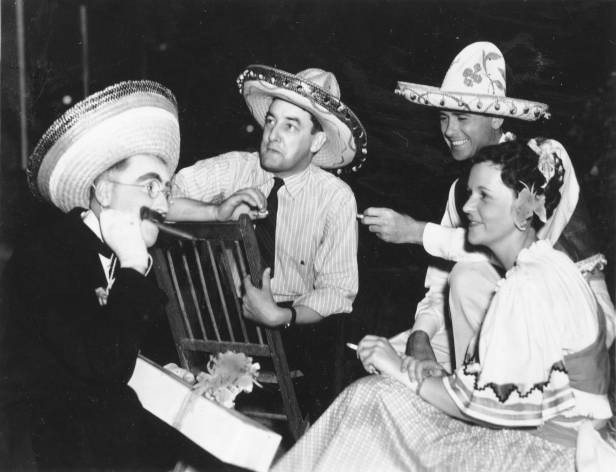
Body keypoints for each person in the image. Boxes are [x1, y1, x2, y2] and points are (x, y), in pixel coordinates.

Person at [272, 139, 613, 472]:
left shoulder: (525, 286)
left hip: (545, 456)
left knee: (372, 398)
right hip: (555, 443)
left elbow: (479, 407)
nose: (467, 207)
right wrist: (428, 373)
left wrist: (397, 367)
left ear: (522, 210)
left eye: (484, 197)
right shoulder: (552, 265)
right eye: (469, 194)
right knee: (376, 398)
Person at [0, 80, 255, 470]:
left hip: (85, 422)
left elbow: (116, 347)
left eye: (165, 189)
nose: (163, 203)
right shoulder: (48, 254)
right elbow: (101, 364)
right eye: (149, 186)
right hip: (32, 440)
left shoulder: (122, 252)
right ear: (103, 192)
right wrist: (134, 266)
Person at [362, 41, 615, 373]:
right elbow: (442, 283)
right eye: (443, 117)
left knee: (469, 284)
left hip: (570, 320)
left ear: (497, 118)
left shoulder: (543, 159)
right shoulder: (460, 193)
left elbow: (522, 251)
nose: (449, 130)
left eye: (462, 117)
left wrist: (415, 232)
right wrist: (420, 339)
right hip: (491, 308)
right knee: (384, 360)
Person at [168, 65, 368, 417]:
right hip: (217, 330)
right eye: (272, 121)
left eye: (291, 126)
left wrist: (281, 315)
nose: (272, 134)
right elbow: (158, 199)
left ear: (317, 141)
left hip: (294, 335)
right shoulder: (236, 169)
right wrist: (213, 212)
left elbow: (339, 290)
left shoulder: (335, 198)